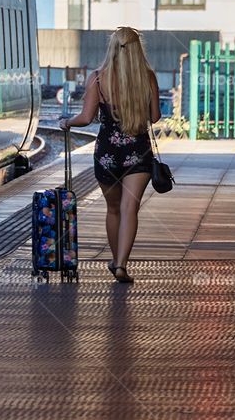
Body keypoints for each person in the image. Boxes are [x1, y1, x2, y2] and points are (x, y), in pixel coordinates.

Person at [59, 27, 160, 283]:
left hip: (107, 153)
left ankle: (116, 260)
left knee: (113, 208)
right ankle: (121, 264)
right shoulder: (147, 76)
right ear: (137, 48)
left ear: (112, 48)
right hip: (138, 151)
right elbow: (155, 116)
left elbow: (86, 118)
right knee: (130, 208)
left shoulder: (98, 78)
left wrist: (67, 122)